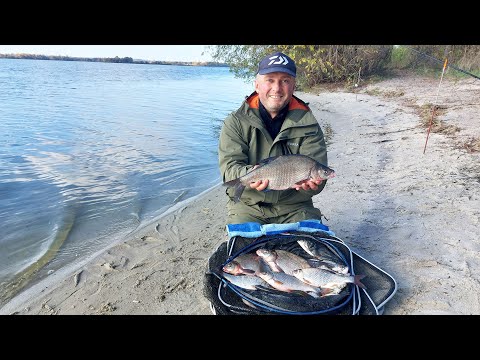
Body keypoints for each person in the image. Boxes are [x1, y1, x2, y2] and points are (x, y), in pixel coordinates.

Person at [218, 51, 330, 225]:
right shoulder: (235, 122)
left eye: (285, 81)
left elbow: (319, 180)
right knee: (245, 250)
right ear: (256, 85)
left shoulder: (309, 124)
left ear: (293, 86)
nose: (277, 88)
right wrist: (251, 175)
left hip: (295, 206)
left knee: (311, 249)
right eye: (270, 80)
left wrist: (310, 187)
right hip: (248, 205)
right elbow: (229, 169)